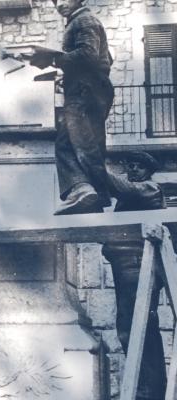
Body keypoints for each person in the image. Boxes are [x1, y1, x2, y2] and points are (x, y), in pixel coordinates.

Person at [30, 0, 114, 215]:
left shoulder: (83, 20)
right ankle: (91, 192)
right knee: (83, 142)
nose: (59, 4)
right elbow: (106, 59)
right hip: (90, 87)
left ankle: (84, 190)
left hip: (83, 90)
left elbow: (88, 55)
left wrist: (53, 59)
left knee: (71, 143)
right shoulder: (83, 21)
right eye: (55, 1)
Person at [102, 151, 167, 400]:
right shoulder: (134, 194)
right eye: (130, 165)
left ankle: (147, 392)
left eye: (139, 166)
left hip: (138, 264)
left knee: (136, 326)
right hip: (129, 264)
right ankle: (149, 390)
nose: (133, 169)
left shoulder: (149, 188)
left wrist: (93, 159)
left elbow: (120, 187)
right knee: (132, 326)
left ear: (148, 171)